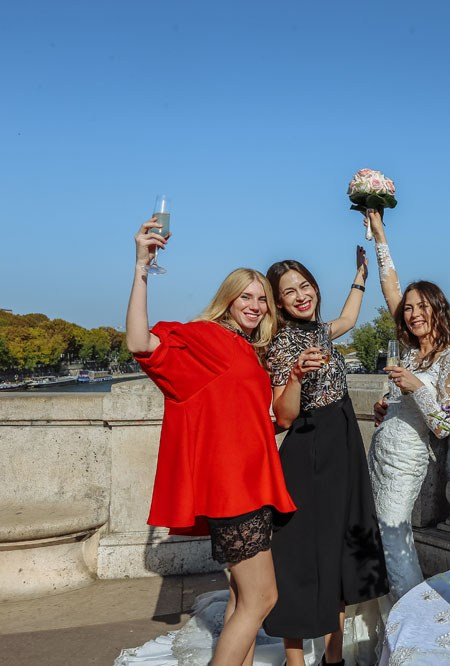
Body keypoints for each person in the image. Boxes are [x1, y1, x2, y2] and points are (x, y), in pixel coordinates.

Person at [126, 219, 296, 666]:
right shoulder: (209, 339)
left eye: (263, 299)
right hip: (232, 492)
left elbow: (254, 420)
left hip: (249, 487)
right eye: (247, 296)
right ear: (228, 298)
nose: (256, 306)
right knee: (263, 599)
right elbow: (140, 343)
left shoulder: (247, 350)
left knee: (244, 602)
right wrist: (141, 267)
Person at [262, 255, 389, 666]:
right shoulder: (282, 344)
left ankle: (333, 656)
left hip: (343, 447)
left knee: (338, 551)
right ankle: (295, 660)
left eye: (305, 286)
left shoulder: (320, 330)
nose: (301, 296)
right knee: (298, 554)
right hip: (309, 450)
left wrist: (361, 277)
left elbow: (348, 319)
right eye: (290, 292)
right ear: (279, 304)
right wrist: (296, 376)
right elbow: (283, 416)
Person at [365, 209, 450, 601]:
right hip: (381, 449)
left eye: (422, 306)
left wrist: (415, 389)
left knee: (395, 538)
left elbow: (444, 427)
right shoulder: (407, 353)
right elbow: (390, 286)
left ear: (436, 309)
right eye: (408, 308)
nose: (413, 313)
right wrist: (380, 234)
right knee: (381, 535)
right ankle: (382, 619)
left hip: (408, 459)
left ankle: (408, 624)